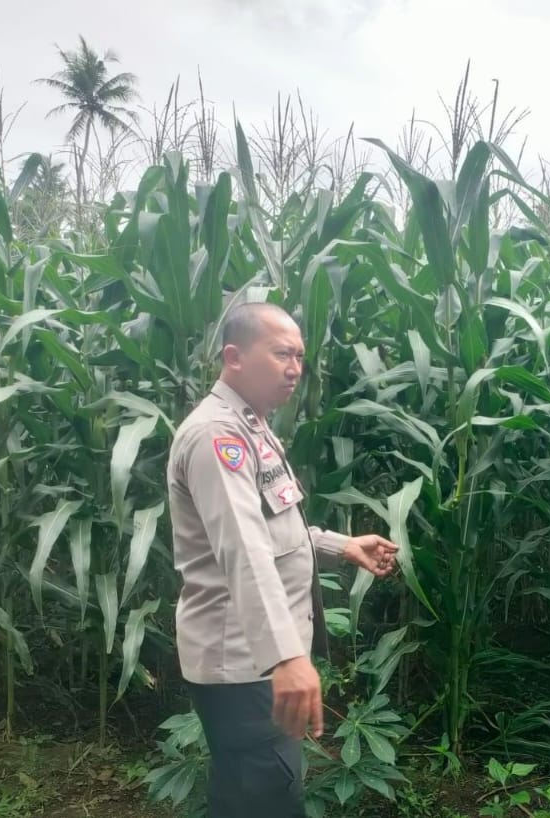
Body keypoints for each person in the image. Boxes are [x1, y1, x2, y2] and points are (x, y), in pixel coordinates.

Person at [167, 301, 399, 817]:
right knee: (267, 797)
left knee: (249, 795)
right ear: (234, 357)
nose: (295, 368)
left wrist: (340, 545)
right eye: (280, 354)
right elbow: (243, 551)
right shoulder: (218, 437)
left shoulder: (250, 427)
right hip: (245, 662)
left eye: (299, 356)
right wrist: (287, 659)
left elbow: (273, 530)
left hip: (256, 656)